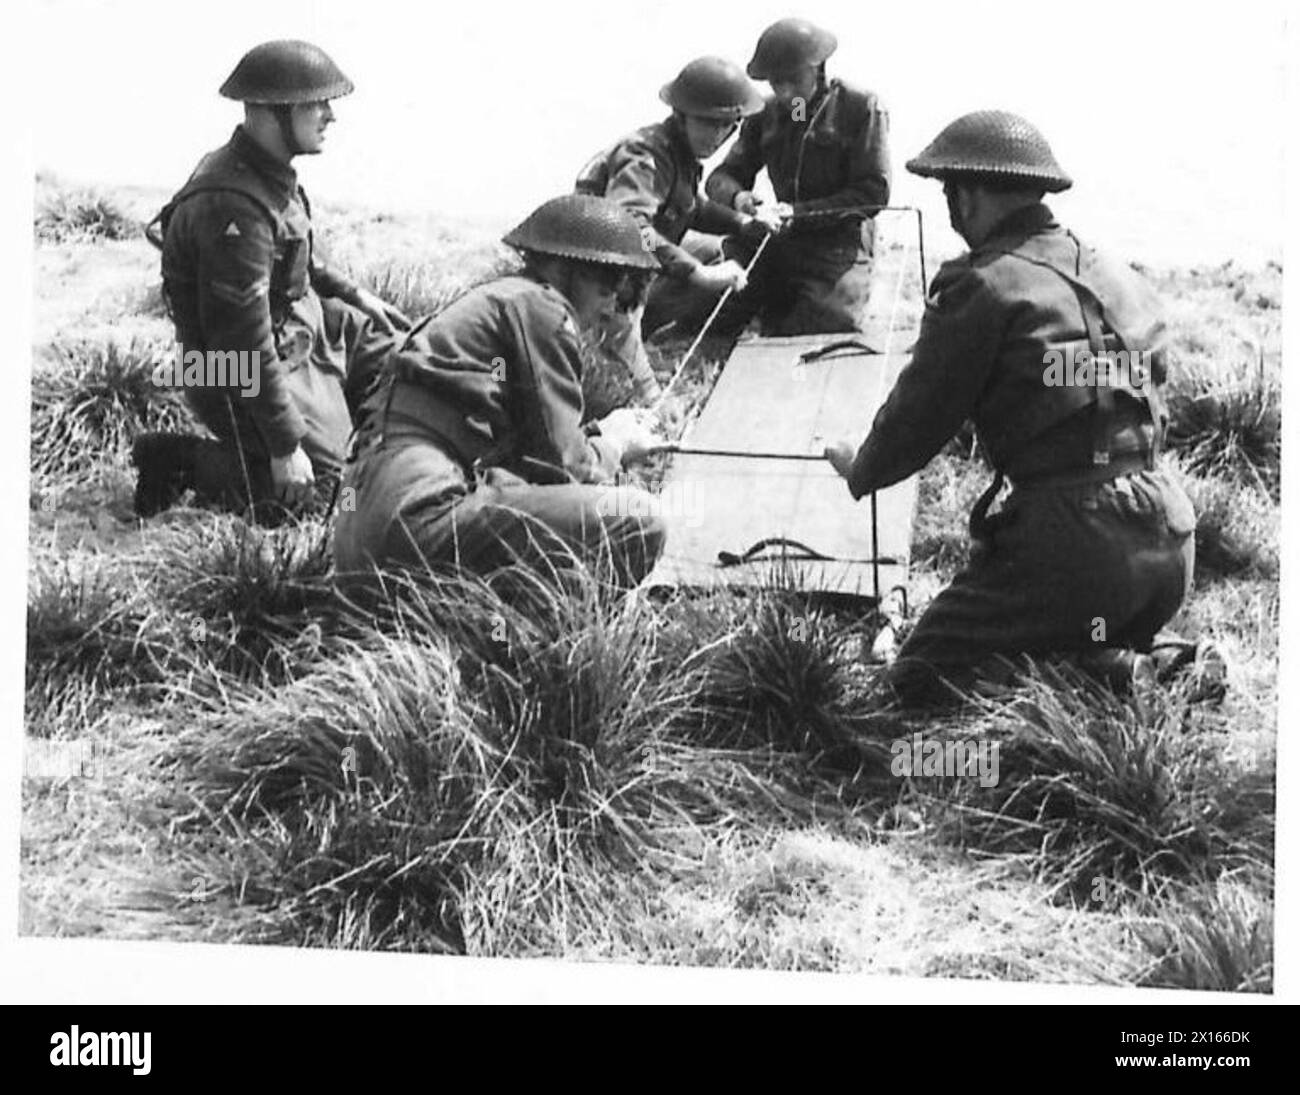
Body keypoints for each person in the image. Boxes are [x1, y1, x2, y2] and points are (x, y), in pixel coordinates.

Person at [824, 110, 1218, 705]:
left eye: (950, 192)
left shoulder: (982, 283)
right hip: (1168, 534)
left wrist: (863, 468)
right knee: (1075, 619)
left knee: (922, 676)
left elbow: (920, 414)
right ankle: (1160, 660)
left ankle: (1110, 674)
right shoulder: (1111, 267)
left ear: (974, 193)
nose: (951, 209)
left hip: (1074, 544)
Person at [333, 194, 667, 592]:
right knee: (638, 516)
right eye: (608, 281)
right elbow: (566, 470)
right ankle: (553, 639)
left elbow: (531, 454)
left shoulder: (500, 299)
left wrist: (596, 436)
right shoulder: (543, 307)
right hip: (415, 523)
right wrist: (617, 444)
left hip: (362, 538)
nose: (614, 302)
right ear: (562, 267)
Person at [133, 39, 407, 521]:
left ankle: (360, 444)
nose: (329, 116)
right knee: (333, 499)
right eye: (314, 104)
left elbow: (293, 257)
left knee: (411, 361)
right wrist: (285, 446)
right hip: (229, 368)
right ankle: (182, 463)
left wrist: (357, 297)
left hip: (303, 331)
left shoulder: (266, 171)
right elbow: (242, 340)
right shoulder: (232, 205)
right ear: (270, 113)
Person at [575, 56, 767, 403]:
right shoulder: (646, 152)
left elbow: (692, 207)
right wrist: (696, 273)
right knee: (651, 400)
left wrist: (742, 222)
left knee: (712, 251)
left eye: (729, 125)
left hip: (637, 274)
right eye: (709, 123)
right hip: (598, 280)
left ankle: (637, 335)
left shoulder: (681, 155)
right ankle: (616, 351)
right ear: (681, 114)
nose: (719, 135)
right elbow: (628, 225)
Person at [702, 17, 891, 336]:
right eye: (777, 83)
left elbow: (873, 193)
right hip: (780, 239)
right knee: (712, 306)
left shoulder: (861, 108)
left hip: (839, 245)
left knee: (816, 329)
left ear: (818, 69)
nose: (786, 92)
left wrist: (798, 213)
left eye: (793, 80)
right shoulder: (769, 113)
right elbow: (721, 177)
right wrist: (740, 198)